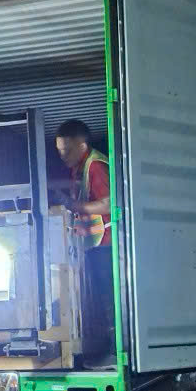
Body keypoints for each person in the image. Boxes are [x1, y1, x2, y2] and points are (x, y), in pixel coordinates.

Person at [55, 119, 115, 363]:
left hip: (107, 245)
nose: (62, 156)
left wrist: (76, 206)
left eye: (66, 150)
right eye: (59, 151)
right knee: (99, 300)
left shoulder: (95, 166)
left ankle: (114, 351)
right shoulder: (79, 166)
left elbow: (109, 203)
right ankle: (104, 349)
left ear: (81, 147)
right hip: (94, 245)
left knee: (109, 299)